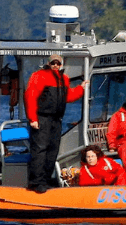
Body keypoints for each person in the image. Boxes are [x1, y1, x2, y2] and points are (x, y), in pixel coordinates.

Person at [24, 54, 89, 193]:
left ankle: (46, 180)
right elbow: (30, 96)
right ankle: (36, 183)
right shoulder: (39, 76)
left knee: (53, 151)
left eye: (58, 63)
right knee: (40, 150)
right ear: (48, 63)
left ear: (62, 65)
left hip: (56, 120)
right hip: (42, 118)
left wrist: (81, 88)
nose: (55, 65)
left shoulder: (64, 79)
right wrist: (33, 119)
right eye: (53, 63)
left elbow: (68, 96)